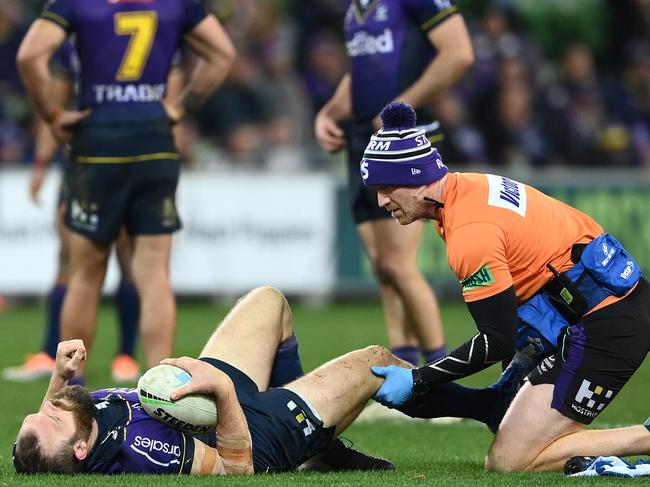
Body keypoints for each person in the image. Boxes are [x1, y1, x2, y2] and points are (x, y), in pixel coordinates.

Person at [362, 102, 650, 472]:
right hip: (595, 306)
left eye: (387, 187)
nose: (381, 201)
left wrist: (420, 379)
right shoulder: (467, 188)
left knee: (509, 460)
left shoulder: (469, 233)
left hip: (604, 326)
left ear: (418, 176)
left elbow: (495, 338)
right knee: (505, 420)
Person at [16, 0, 236, 377]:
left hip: (98, 142)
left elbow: (29, 56)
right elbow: (222, 53)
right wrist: (180, 108)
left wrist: (52, 115)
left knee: (85, 272)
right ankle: (158, 391)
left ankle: (71, 391)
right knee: (154, 276)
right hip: (154, 139)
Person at [13, 286, 402, 475]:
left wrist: (59, 377)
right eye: (54, 417)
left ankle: (321, 446)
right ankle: (464, 404)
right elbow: (238, 470)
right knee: (377, 362)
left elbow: (48, 427)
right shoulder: (142, 448)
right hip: (252, 436)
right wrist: (222, 388)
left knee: (269, 300)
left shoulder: (79, 423)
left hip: (208, 397)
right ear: (82, 449)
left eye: (40, 410)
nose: (49, 404)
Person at [314, 0, 474, 373]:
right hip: (362, 139)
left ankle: (440, 373)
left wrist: (402, 105)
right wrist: (329, 113)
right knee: (383, 269)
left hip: (406, 140)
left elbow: (459, 53)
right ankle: (403, 369)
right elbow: (361, 72)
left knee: (397, 264)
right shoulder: (355, 8)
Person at [3, 41, 140, 384]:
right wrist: (41, 162)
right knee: (69, 259)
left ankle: (126, 355)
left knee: (127, 257)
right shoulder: (75, 45)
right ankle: (53, 354)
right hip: (82, 163)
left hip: (125, 159)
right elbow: (56, 107)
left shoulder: (120, 33)